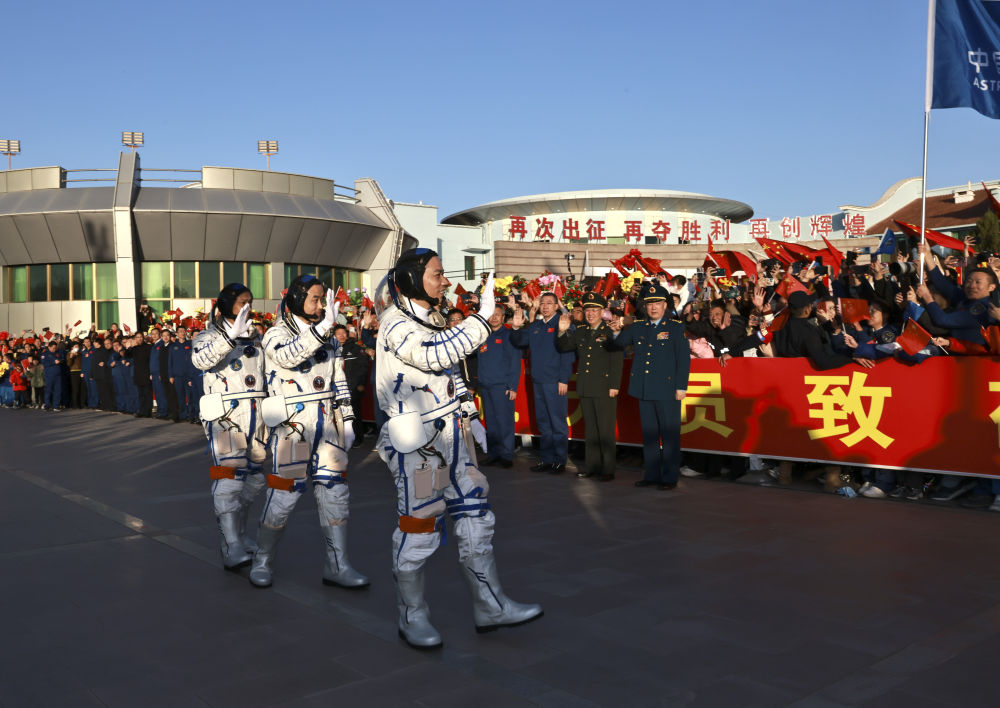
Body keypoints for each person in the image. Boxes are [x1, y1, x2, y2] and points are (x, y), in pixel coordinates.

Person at [374, 248, 541, 649]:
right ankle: (411, 615)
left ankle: (491, 605)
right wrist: (480, 320)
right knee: (419, 529)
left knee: (475, 517)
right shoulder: (396, 325)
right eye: (437, 275)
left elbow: (449, 373)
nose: (445, 282)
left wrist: (468, 408)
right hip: (419, 445)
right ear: (413, 280)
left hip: (452, 435)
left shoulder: (427, 317)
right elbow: (434, 355)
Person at [253, 275, 368, 590]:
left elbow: (338, 378)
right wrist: (322, 329)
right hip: (293, 425)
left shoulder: (329, 336)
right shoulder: (276, 334)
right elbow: (290, 355)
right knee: (284, 494)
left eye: (322, 299)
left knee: (335, 494)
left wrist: (347, 420)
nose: (319, 305)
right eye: (315, 299)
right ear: (296, 298)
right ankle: (262, 559)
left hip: (327, 423)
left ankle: (337, 564)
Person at [193, 283, 269, 571]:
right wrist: (229, 335)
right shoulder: (207, 336)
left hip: (257, 416)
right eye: (241, 303)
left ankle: (239, 534)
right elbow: (200, 359)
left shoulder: (256, 338)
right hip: (226, 416)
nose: (247, 308)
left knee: (254, 479)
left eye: (250, 302)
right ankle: (230, 544)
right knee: (228, 480)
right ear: (226, 305)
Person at [609, 283, 690, 490]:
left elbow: (683, 359)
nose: (653, 307)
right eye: (649, 303)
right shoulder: (638, 327)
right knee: (650, 434)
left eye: (657, 303)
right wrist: (617, 331)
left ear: (665, 305)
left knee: (669, 435)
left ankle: (670, 477)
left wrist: (681, 386)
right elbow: (618, 345)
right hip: (644, 388)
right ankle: (652, 474)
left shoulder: (675, 327)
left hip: (667, 389)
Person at [556, 292, 623, 481]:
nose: (590, 314)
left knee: (605, 430)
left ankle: (607, 469)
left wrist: (614, 385)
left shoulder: (610, 332)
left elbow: (616, 360)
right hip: (586, 386)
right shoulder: (581, 330)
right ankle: (592, 467)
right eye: (587, 310)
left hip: (604, 387)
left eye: (594, 310)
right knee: (591, 430)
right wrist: (562, 331)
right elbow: (565, 347)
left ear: (602, 311)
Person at [510, 292, 575, 474]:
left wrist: (563, 379)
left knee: (557, 422)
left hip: (554, 381)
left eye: (549, 303)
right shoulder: (536, 326)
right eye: (543, 303)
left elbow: (567, 354)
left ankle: (559, 461)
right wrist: (515, 328)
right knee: (543, 422)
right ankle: (547, 459)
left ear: (556, 306)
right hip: (538, 381)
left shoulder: (561, 324)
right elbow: (520, 342)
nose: (545, 306)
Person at [477, 303, 522, 468]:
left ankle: (507, 455)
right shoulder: (483, 335)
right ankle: (494, 453)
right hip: (486, 385)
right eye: (492, 314)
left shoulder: (509, 335)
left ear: (503, 317)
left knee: (504, 422)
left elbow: (515, 363)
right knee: (491, 422)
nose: (494, 317)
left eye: (498, 314)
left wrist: (512, 386)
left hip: (502, 386)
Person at [39, 341, 63, 411]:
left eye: (55, 348)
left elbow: (62, 359)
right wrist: (53, 362)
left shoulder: (58, 353)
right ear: (49, 347)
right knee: (48, 391)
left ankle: (56, 406)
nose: (54, 349)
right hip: (49, 375)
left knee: (57, 391)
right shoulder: (44, 354)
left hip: (58, 375)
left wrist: (60, 360)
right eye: (53, 348)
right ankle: (47, 405)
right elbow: (44, 363)